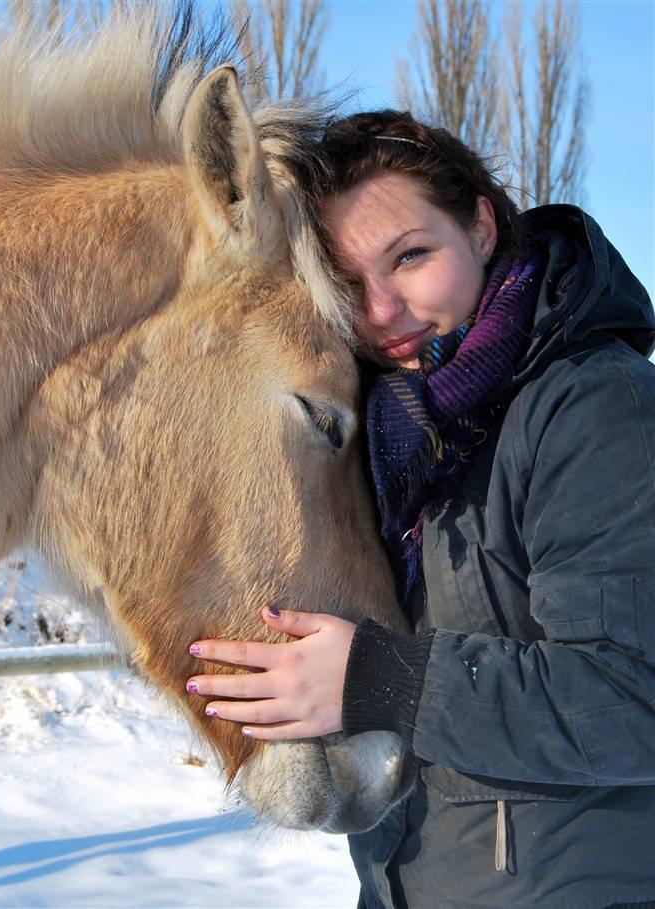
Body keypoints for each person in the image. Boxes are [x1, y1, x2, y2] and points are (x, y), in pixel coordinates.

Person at [185, 110, 655, 909]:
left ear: (478, 223)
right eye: (346, 284)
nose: (381, 312)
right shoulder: (394, 429)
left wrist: (381, 679)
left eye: (409, 257)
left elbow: (632, 697)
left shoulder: (594, 408)